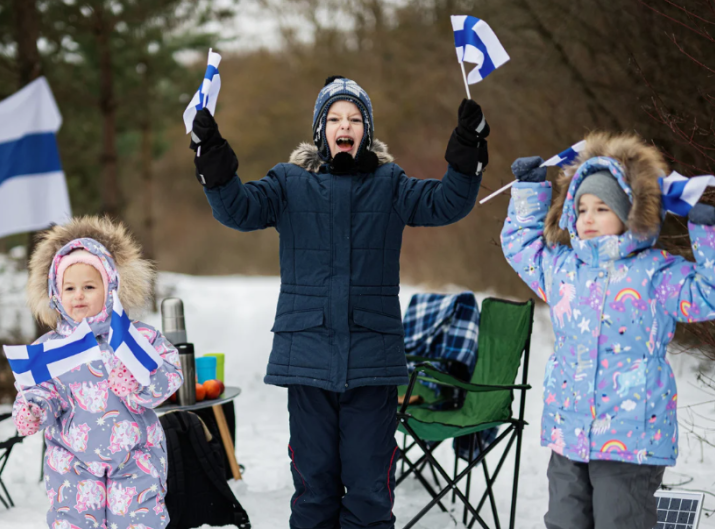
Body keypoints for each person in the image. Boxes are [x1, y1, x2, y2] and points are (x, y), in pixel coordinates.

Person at [188, 75, 490, 528]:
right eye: (334, 118)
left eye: (353, 118)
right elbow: (238, 209)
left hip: (372, 360)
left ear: (365, 130)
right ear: (319, 130)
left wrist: (468, 148)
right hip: (306, 355)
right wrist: (211, 154)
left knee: (370, 490)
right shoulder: (288, 183)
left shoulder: (390, 184)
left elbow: (446, 203)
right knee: (314, 489)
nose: (343, 125)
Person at [500, 132, 715, 529]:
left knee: (620, 520)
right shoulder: (563, 270)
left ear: (630, 212)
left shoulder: (656, 273)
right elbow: (520, 245)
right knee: (563, 519)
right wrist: (530, 191)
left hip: (631, 440)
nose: (589, 218)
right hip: (569, 433)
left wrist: (711, 236)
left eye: (602, 208)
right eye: (581, 209)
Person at [12, 216, 182, 529]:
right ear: (55, 294)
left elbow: (170, 376)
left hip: (135, 457)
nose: (78, 295)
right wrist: (35, 407)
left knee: (138, 521)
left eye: (89, 286)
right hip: (72, 463)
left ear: (111, 287)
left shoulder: (135, 336)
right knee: (74, 522)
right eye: (70, 288)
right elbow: (43, 390)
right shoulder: (51, 347)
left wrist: (138, 378)